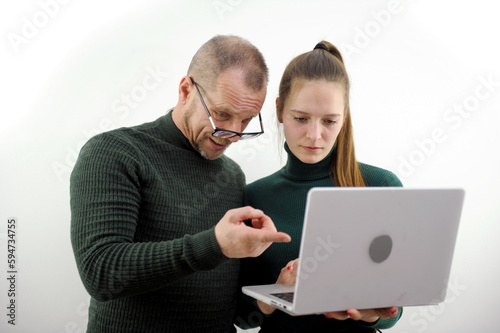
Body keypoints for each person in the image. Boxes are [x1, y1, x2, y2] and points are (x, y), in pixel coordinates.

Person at [70, 35, 291, 333]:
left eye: (247, 120)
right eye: (222, 114)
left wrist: (275, 296)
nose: (234, 134)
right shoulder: (114, 152)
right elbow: (101, 272)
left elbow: (229, 311)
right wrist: (214, 244)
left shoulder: (233, 176)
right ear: (186, 90)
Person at [235, 41, 403, 332]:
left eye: (329, 121)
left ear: (345, 116)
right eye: (301, 118)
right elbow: (239, 315)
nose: (314, 135)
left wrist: (370, 314)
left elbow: (394, 310)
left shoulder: (381, 187)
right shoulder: (253, 198)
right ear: (279, 110)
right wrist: (276, 294)